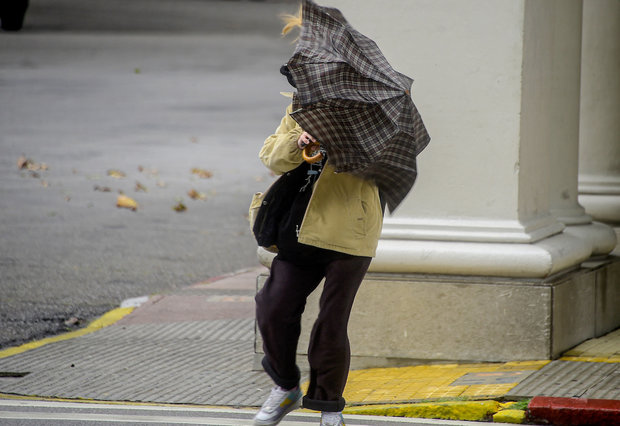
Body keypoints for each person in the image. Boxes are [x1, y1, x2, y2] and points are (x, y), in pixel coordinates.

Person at [252, 10, 384, 426]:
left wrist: (338, 139)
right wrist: (299, 139)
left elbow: (380, 162)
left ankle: (328, 405)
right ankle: (286, 386)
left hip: (348, 230)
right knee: (273, 307)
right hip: (299, 224)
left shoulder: (376, 107)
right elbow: (271, 157)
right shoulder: (300, 104)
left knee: (331, 321)